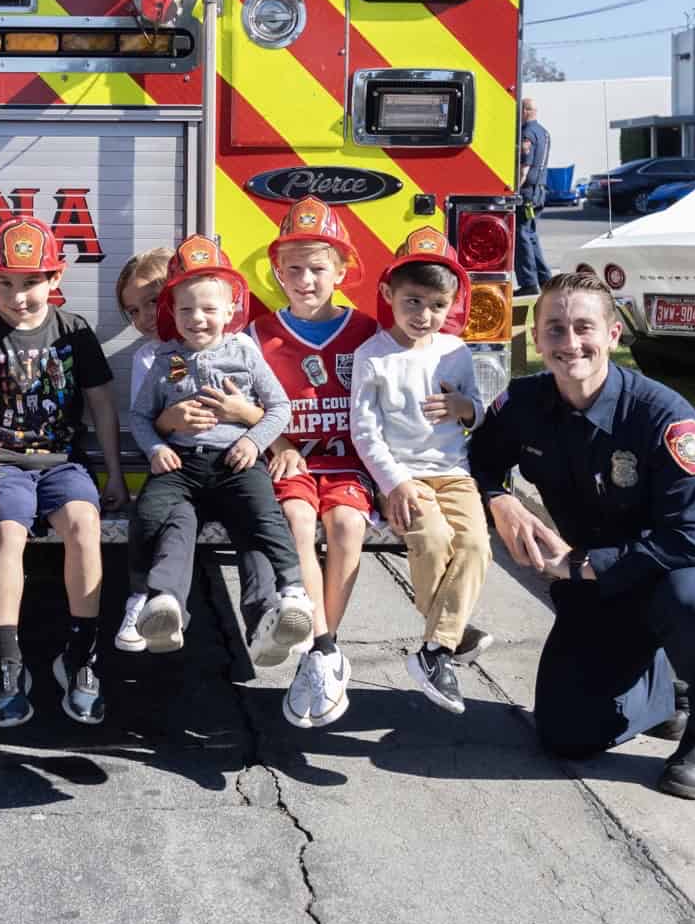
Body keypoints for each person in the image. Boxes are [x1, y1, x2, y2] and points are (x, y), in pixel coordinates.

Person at [468, 271, 695, 800]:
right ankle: (666, 687)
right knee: (566, 735)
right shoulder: (524, 405)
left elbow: (694, 538)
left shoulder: (662, 417)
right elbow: (472, 463)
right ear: (535, 337)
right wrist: (499, 499)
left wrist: (579, 565)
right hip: (599, 593)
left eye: (583, 328)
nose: (570, 343)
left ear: (613, 336)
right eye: (554, 329)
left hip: (667, 574)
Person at [0, 216, 129, 727]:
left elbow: (102, 407)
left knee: (84, 525)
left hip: (64, 464)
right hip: (6, 466)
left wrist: (114, 474)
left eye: (31, 282)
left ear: (55, 279)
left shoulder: (74, 332)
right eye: (5, 282)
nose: (19, 296)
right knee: (7, 534)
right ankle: (6, 662)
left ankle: (81, 655)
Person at [128, 236, 313, 696]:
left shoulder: (246, 353)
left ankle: (288, 597)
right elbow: (138, 415)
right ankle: (158, 603)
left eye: (209, 309)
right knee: (153, 516)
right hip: (182, 465)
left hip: (234, 462)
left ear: (232, 309)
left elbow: (279, 408)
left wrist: (254, 442)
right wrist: (155, 448)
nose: (197, 320)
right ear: (174, 311)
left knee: (263, 520)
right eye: (187, 310)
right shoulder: (166, 358)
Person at [252, 198, 382, 728]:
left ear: (342, 270)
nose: (305, 279)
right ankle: (322, 650)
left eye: (318, 268)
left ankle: (321, 651)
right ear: (278, 271)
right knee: (298, 520)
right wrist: (277, 444)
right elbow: (247, 403)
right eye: (294, 269)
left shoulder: (369, 331)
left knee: (348, 525)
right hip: (293, 462)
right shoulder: (260, 335)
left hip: (349, 462)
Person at [349, 227, 491, 716]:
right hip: (403, 475)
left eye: (436, 305)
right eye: (412, 302)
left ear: (451, 303)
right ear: (388, 294)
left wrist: (465, 407)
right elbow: (364, 432)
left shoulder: (455, 351)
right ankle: (447, 638)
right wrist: (394, 483)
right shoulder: (373, 357)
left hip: (454, 472)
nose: (423, 315)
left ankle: (435, 647)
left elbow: (479, 412)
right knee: (430, 540)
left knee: (474, 544)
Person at [514, 98, 553, 295]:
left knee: (521, 237)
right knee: (531, 236)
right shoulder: (544, 133)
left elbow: (524, 167)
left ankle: (528, 283)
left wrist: (514, 190)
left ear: (525, 111)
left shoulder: (526, 133)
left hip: (526, 193)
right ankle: (546, 280)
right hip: (539, 192)